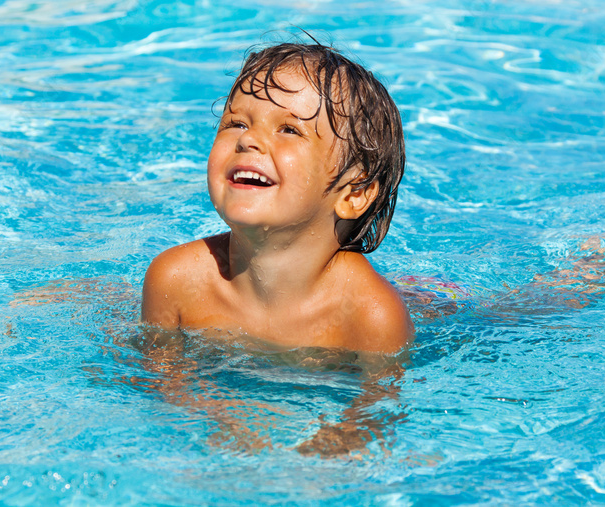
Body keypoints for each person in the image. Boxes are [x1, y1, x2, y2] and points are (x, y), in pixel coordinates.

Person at [142, 39, 413, 356]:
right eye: (236, 123)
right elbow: (160, 393)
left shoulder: (370, 316)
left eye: (288, 129)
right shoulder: (175, 282)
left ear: (354, 193)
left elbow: (376, 405)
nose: (248, 139)